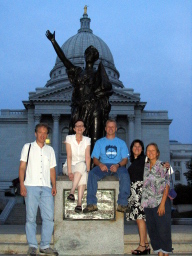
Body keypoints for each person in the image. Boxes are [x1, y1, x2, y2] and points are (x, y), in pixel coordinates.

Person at [46, 30, 113, 152]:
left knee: (95, 139)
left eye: (91, 54)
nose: (88, 55)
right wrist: (53, 42)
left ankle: (94, 166)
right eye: (87, 53)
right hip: (80, 109)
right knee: (78, 139)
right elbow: (64, 60)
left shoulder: (98, 74)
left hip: (94, 109)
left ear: (95, 58)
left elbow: (106, 88)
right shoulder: (77, 72)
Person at [19, 123, 58, 256]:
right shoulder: (27, 147)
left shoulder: (50, 150)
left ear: (47, 135)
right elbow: (22, 167)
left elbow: (52, 169)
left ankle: (45, 245)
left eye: (45, 132)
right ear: (35, 133)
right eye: (40, 132)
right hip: (30, 186)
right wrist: (22, 185)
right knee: (31, 218)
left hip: (46, 187)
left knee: (49, 218)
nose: (42, 135)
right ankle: (32, 245)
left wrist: (54, 185)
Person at [83, 119, 130, 213]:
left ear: (116, 128)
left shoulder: (121, 143)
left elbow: (125, 159)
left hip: (118, 166)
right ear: (105, 128)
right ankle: (91, 203)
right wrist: (100, 164)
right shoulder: (99, 142)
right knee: (92, 174)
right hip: (103, 165)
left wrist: (117, 165)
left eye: (112, 127)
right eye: (108, 126)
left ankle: (122, 204)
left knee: (125, 174)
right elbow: (95, 158)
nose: (110, 128)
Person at [141, 143, 172, 256]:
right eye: (148, 150)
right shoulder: (145, 166)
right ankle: (159, 253)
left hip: (160, 203)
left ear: (157, 153)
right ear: (146, 153)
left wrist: (162, 204)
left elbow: (167, 185)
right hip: (148, 205)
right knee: (153, 231)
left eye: (153, 150)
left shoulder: (162, 166)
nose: (151, 152)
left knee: (163, 231)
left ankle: (166, 253)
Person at [126, 140, 150, 255]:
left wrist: (165, 165)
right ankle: (146, 244)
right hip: (134, 191)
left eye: (139, 146)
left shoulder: (145, 159)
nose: (137, 148)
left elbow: (156, 164)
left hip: (141, 191)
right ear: (131, 148)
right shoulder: (134, 161)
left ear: (142, 149)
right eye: (135, 146)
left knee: (140, 218)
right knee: (141, 219)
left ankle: (142, 246)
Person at [63, 119, 91, 213]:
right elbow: (69, 155)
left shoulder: (87, 140)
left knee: (84, 172)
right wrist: (70, 172)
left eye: (81, 126)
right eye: (77, 126)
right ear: (74, 129)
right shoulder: (69, 138)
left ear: (84, 129)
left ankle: (78, 203)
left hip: (81, 168)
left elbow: (87, 156)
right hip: (69, 166)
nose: (79, 127)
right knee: (82, 166)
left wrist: (88, 171)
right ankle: (73, 193)